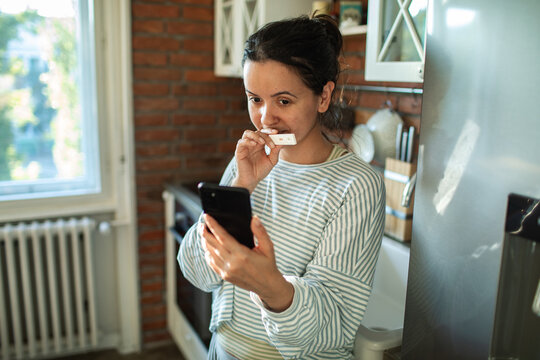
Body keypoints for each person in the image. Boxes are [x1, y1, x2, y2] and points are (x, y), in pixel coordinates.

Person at [178, 13, 386, 360]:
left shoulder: (356, 185)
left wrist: (271, 287)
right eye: (255, 99)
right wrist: (243, 185)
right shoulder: (247, 163)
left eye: (284, 101)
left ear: (323, 97)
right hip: (223, 349)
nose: (265, 118)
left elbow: (334, 326)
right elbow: (197, 272)